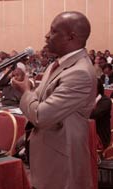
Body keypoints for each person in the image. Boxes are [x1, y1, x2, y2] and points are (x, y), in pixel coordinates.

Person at [12, 11, 96, 189]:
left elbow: (41, 116)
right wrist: (30, 91)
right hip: (45, 157)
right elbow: (39, 98)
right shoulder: (56, 64)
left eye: (53, 31)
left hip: (62, 161)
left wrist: (25, 92)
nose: (47, 35)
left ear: (70, 37)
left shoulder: (79, 72)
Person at [90, 79, 111, 150]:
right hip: (86, 132)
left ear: (98, 88)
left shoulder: (105, 101)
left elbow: (93, 115)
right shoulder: (86, 99)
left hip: (100, 135)